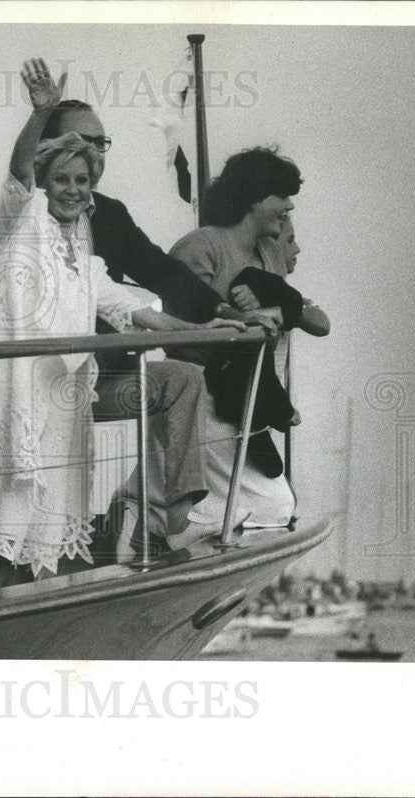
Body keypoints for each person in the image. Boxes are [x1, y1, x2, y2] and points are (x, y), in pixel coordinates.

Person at [0, 60, 238, 590]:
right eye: (62, 179)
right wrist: (40, 114)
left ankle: (51, 613)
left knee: (53, 525)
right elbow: (18, 170)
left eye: (82, 181)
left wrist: (213, 331)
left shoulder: (83, 248)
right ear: (43, 180)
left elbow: (135, 310)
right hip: (16, 399)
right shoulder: (22, 217)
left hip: (65, 403)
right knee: (6, 525)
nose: (74, 190)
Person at [167, 146, 305, 543]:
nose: (289, 206)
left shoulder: (269, 255)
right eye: (281, 195)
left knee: (259, 502)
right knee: (275, 507)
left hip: (247, 401)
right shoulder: (201, 247)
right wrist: (247, 321)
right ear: (254, 197)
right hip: (203, 396)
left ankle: (145, 511)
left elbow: (299, 311)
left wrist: (280, 308)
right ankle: (166, 529)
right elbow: (183, 324)